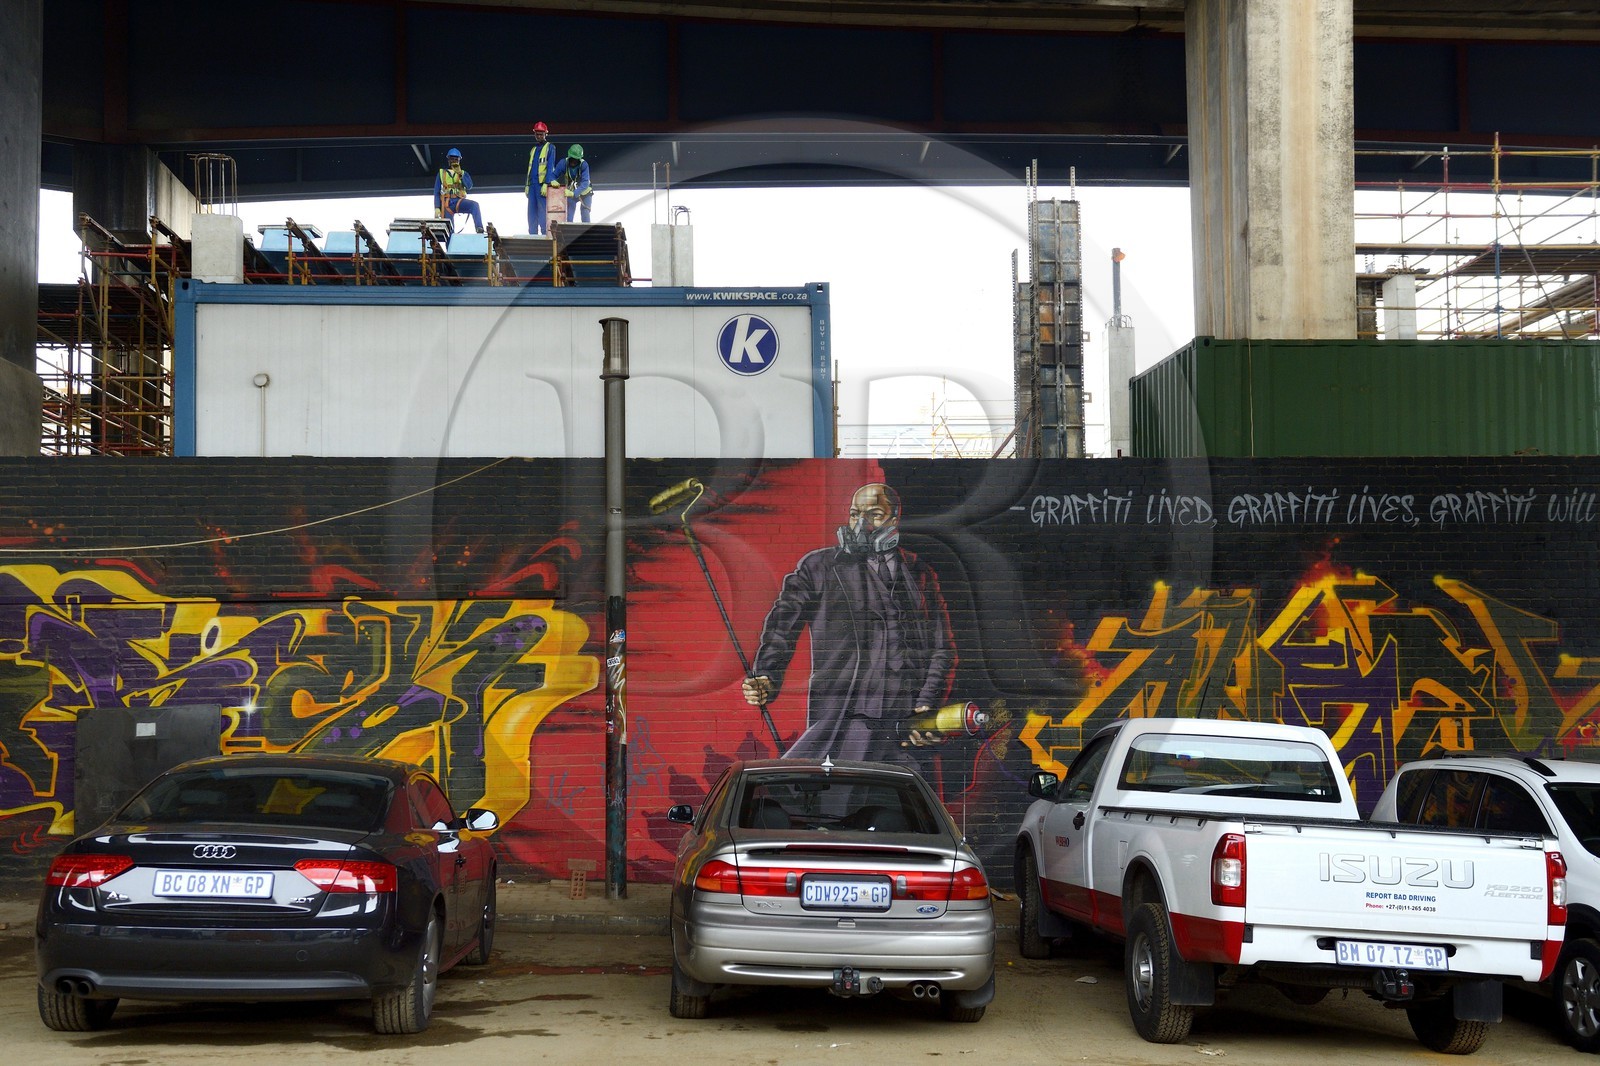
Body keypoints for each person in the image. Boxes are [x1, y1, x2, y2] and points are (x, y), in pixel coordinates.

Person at [742, 483, 956, 765]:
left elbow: (942, 649)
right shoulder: (819, 567)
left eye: (874, 514)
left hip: (904, 729)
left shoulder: (919, 572)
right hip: (844, 722)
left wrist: (925, 705)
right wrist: (767, 675)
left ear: (895, 519)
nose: (861, 524)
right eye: (855, 514)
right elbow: (783, 623)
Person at [434, 148, 483, 233]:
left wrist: (460, 174)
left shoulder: (463, 173)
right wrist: (437, 207)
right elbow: (436, 191)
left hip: (458, 201)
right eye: (452, 159)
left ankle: (479, 228)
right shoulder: (441, 173)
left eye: (456, 159)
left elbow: (469, 186)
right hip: (447, 204)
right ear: (448, 160)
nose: (454, 161)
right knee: (449, 230)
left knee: (474, 205)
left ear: (459, 161)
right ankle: (450, 240)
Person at [523, 122, 559, 236]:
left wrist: (546, 183)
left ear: (545, 134)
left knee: (543, 211)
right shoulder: (533, 150)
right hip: (532, 185)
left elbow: (550, 166)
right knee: (531, 212)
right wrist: (527, 185)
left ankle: (544, 234)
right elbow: (529, 169)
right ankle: (532, 235)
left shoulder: (550, 147)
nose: (539, 136)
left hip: (541, 185)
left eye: (541, 134)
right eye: (537, 134)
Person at [550, 144, 593, 225]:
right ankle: (568, 230)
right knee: (569, 215)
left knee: (585, 213)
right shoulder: (563, 163)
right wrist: (552, 180)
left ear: (579, 159)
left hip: (585, 192)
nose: (573, 161)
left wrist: (574, 193)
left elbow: (585, 183)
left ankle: (587, 232)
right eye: (572, 159)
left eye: (576, 159)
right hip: (570, 192)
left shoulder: (584, 165)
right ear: (569, 156)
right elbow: (553, 175)